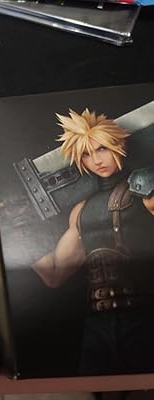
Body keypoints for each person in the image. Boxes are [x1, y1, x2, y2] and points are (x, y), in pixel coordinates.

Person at [32, 109, 154, 374]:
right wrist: (17, 230)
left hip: (145, 316)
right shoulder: (81, 211)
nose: (96, 160)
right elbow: (54, 274)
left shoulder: (146, 189)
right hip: (97, 323)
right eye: (86, 154)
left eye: (102, 148)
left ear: (119, 145)